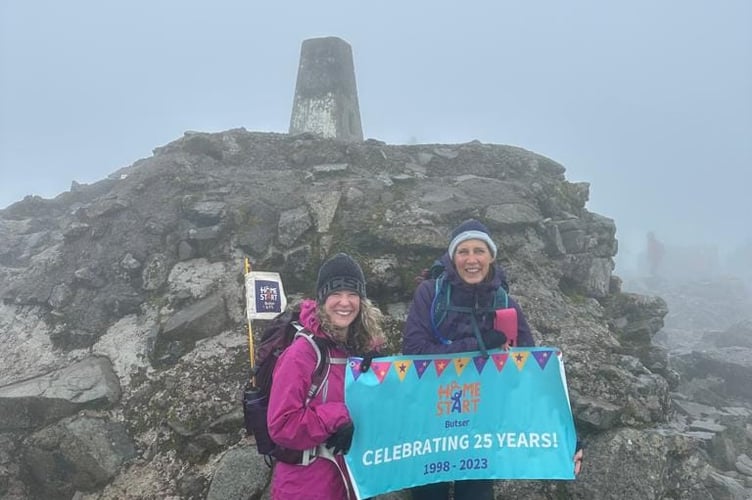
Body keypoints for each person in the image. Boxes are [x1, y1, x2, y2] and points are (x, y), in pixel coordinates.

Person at [402, 219, 583, 500]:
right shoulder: (430, 294)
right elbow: (414, 354)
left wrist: (567, 433)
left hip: (482, 427)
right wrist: (478, 346)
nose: (471, 259)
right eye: (463, 251)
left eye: (479, 251)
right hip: (431, 424)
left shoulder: (504, 303)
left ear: (491, 256)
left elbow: (533, 373)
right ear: (452, 257)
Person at [267, 253, 386, 500]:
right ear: (322, 299)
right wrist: (338, 417)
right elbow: (281, 425)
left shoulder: (364, 348)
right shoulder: (301, 354)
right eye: (336, 293)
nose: (345, 302)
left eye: (353, 294)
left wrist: (381, 377)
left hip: (352, 480)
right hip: (307, 485)